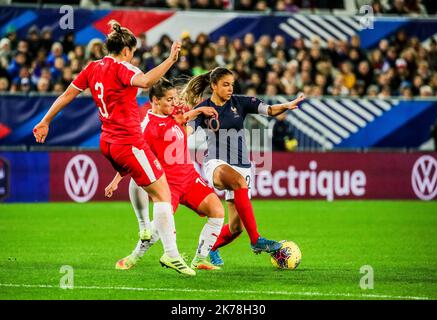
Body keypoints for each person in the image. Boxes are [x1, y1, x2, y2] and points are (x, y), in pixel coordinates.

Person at [32, 21, 196, 276]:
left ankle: (144, 226)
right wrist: (170, 60)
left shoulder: (92, 68)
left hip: (107, 142)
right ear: (127, 50)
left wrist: (45, 120)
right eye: (133, 50)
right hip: (128, 141)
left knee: (142, 179)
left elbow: (66, 94)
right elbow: (145, 81)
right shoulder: (122, 68)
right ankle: (171, 254)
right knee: (163, 192)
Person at [183, 67, 305, 265]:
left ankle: (211, 248)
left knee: (235, 227)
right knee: (239, 183)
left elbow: (270, 110)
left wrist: (288, 105)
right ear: (214, 86)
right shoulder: (204, 108)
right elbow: (188, 129)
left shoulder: (240, 102)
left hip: (242, 165)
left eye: (232, 84)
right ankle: (256, 240)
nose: (230, 88)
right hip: (216, 162)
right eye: (225, 84)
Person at [105, 78, 225, 271]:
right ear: (155, 100)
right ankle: (134, 256)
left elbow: (183, 118)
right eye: (169, 99)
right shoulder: (147, 128)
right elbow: (134, 158)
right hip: (168, 185)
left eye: (174, 98)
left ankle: (200, 259)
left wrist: (200, 110)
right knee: (160, 228)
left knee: (217, 212)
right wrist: (117, 179)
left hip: (190, 178)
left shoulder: (173, 114)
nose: (174, 102)